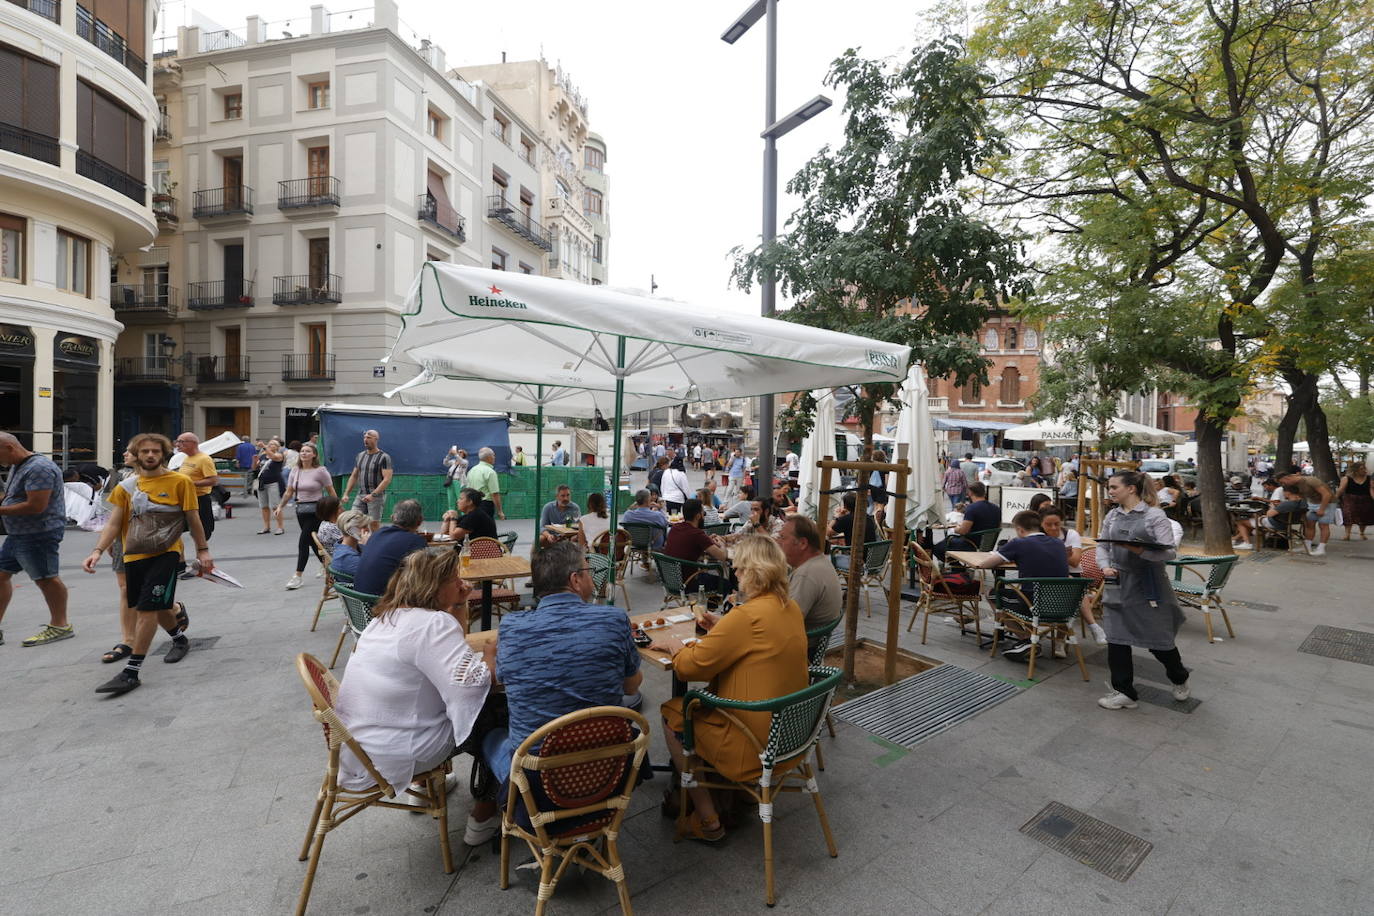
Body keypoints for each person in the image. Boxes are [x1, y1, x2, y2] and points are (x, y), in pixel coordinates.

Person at [473, 541, 643, 843]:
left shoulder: (512, 627)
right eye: (589, 572)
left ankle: (488, 814)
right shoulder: (614, 620)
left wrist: (489, 654)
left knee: (488, 732)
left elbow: (497, 677)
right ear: (575, 580)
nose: (592, 578)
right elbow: (632, 686)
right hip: (607, 769)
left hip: (538, 784)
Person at [333, 549, 496, 842]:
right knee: (495, 710)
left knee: (436, 696)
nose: (460, 583)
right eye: (454, 579)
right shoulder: (432, 625)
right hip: (401, 749)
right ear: (434, 586)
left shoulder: (384, 618)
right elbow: (471, 684)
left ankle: (422, 789)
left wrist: (458, 604)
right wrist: (491, 657)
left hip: (359, 744)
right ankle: (484, 812)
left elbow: (447, 651)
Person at [653, 536, 808, 842]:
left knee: (673, 714)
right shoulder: (789, 608)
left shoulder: (746, 616)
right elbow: (754, 645)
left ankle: (709, 820)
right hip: (790, 734)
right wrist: (722, 627)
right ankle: (737, 794)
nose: (735, 575)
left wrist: (673, 645)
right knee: (697, 707)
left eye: (739, 569)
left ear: (754, 571)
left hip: (751, 739)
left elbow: (689, 667)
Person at [83, 433, 212, 695]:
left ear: (164, 454)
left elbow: (193, 518)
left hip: (166, 553)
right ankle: (180, 639)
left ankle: (131, 672)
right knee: (158, 605)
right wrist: (97, 550)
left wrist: (203, 550)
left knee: (147, 610)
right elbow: (115, 522)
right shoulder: (126, 487)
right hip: (134, 555)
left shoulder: (180, 481)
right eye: (145, 452)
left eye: (155, 451)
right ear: (136, 455)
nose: (150, 455)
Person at [1095, 470, 1192, 711]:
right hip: (1117, 582)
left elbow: (1169, 552)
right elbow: (1102, 546)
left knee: (1159, 639)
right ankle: (1124, 691)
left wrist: (1140, 551)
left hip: (1150, 585)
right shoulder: (1112, 516)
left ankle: (1179, 677)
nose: (1111, 491)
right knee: (1116, 638)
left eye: (1114, 486)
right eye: (1110, 487)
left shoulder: (1155, 515)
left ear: (1131, 489)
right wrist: (1105, 567)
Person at [0, 433, 71, 648]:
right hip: (19, 533)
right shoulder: (19, 465)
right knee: (1, 576)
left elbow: (36, 506)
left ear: (10, 447)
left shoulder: (38, 468)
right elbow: (15, 497)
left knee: (46, 578)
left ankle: (60, 625)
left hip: (38, 533)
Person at [972, 510, 1070, 660]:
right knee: (1016, 592)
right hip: (1063, 605)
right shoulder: (1058, 543)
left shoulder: (1019, 543)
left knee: (992, 594)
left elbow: (985, 564)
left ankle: (1027, 639)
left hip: (1033, 605)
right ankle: (1028, 640)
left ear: (1019, 529)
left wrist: (1004, 555)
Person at [275, 442, 337, 590]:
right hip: (301, 510)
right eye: (302, 451)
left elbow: (331, 491)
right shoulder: (295, 470)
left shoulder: (320, 471)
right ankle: (328, 566)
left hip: (317, 511)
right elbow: (289, 491)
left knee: (303, 541)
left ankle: (298, 576)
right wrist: (280, 506)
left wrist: (337, 508)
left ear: (314, 455)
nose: (304, 453)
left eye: (308, 451)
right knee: (313, 542)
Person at [779, 515, 841, 653]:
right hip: (812, 645)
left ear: (802, 543)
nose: (779, 542)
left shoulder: (806, 574)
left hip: (799, 653)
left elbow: (786, 624)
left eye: (783, 538)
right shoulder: (821, 562)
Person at [352, 499, 428, 596]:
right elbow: (422, 575)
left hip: (358, 601)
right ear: (419, 521)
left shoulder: (378, 534)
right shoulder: (416, 542)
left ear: (392, 518)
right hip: (380, 603)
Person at [340, 429, 393, 531]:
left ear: (376, 439)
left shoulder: (384, 457)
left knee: (373, 524)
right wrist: (346, 493)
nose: (365, 439)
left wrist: (373, 495)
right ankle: (363, 543)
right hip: (361, 494)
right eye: (364, 437)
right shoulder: (360, 456)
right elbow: (354, 475)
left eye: (368, 437)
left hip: (376, 496)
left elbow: (387, 479)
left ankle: (375, 545)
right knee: (354, 521)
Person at [933, 482, 1001, 560]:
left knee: (938, 547)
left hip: (970, 544)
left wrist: (955, 528)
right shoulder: (996, 508)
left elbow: (963, 531)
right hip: (987, 545)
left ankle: (956, 568)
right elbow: (998, 526)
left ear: (970, 493)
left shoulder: (972, 508)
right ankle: (957, 567)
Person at [174, 432, 219, 544]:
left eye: (181, 441)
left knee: (203, 532)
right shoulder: (186, 458)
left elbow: (213, 480)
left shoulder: (204, 459)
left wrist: (190, 484)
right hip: (185, 499)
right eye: (177, 441)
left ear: (193, 443)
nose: (177, 444)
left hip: (200, 500)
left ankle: (201, 556)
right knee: (175, 529)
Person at [1278, 468, 1335, 556]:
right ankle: (1307, 546)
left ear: (1287, 478)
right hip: (1312, 503)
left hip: (1327, 502)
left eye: (1283, 482)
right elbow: (1301, 497)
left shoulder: (1310, 480)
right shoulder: (1295, 485)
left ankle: (1321, 548)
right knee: (1309, 525)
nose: (1283, 484)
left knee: (1323, 525)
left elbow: (1327, 494)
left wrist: (1322, 509)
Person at [1335, 461, 1373, 540]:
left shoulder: (1369, 478)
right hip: (1350, 499)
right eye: (1362, 469)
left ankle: (1362, 533)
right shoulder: (1347, 478)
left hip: (1365, 499)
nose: (1364, 470)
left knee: (1364, 517)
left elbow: (1371, 489)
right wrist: (1334, 498)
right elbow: (1341, 490)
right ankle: (1347, 534)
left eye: (1364, 468)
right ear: (1355, 470)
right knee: (1348, 515)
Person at [329, 509, 371, 578]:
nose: (368, 530)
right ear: (351, 530)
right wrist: (369, 547)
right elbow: (375, 572)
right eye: (364, 526)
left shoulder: (349, 547)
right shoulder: (346, 557)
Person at [465, 447, 505, 521]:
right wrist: (500, 511)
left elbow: (468, 491)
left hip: (473, 505)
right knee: (488, 530)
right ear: (489, 457)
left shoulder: (472, 470)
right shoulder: (490, 472)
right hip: (485, 505)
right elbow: (494, 494)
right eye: (493, 455)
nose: (494, 457)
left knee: (475, 530)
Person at [257, 438, 286, 535]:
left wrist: (264, 447)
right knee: (264, 506)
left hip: (273, 483)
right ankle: (266, 526)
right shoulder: (263, 456)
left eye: (273, 444)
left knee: (275, 506)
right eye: (269, 444)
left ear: (277, 447)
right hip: (262, 483)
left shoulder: (279, 455)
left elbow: (273, 456)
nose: (270, 445)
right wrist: (254, 461)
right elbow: (256, 467)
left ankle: (280, 527)